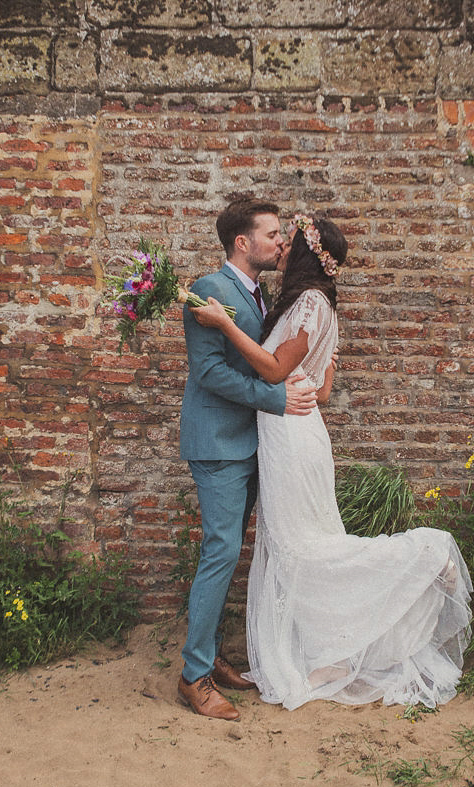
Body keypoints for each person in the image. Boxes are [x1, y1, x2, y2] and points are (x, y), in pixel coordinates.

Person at [190, 213, 472, 711]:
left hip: (290, 436)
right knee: (295, 546)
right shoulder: (303, 303)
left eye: (287, 239)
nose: (280, 244)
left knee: (305, 547)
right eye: (274, 235)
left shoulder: (309, 303)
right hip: (289, 432)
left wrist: (225, 325)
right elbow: (319, 389)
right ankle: (332, 651)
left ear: (303, 253)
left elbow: (276, 369)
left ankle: (428, 555)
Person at [178, 199, 319, 721]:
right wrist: (276, 401)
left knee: (227, 551)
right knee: (220, 551)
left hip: (247, 443)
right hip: (217, 443)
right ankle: (193, 677)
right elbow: (209, 372)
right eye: (273, 234)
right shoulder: (211, 290)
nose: (280, 242)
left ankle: (211, 658)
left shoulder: (256, 295)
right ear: (243, 242)